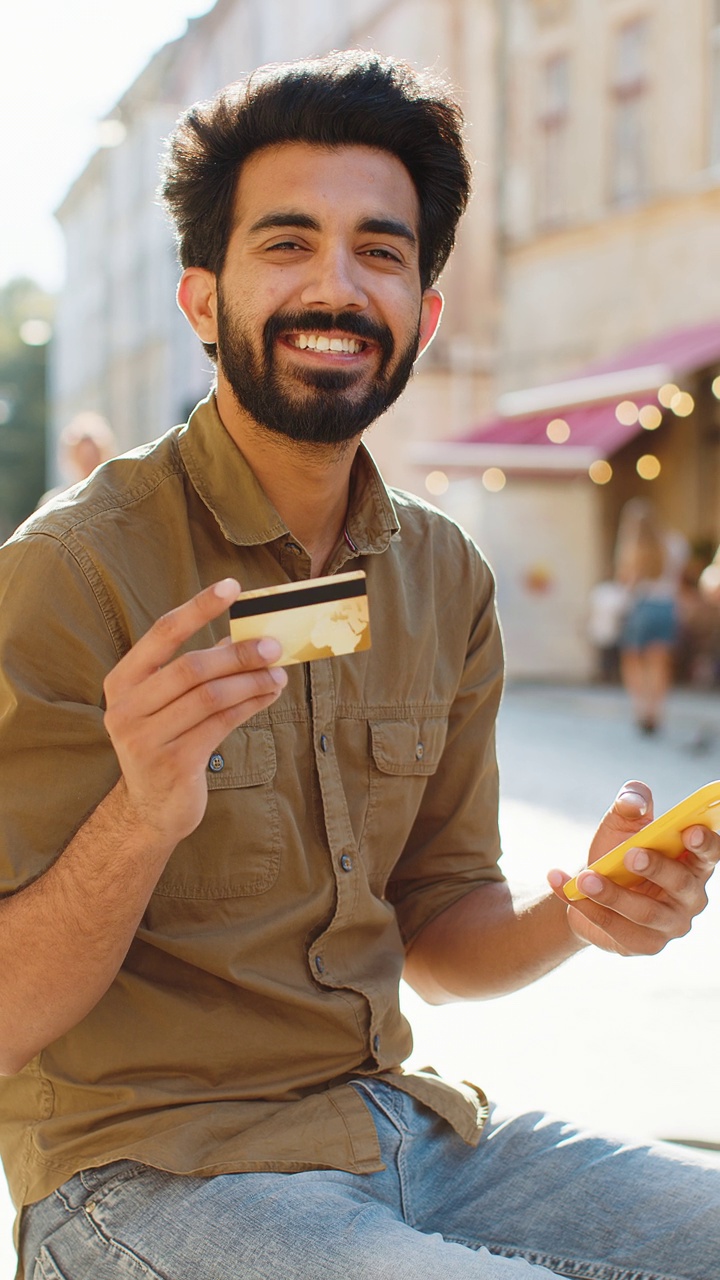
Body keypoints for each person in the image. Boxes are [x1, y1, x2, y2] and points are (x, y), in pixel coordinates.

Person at [0, 51, 718, 1280]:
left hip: (406, 1127)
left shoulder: (444, 575)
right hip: (146, 1172)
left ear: (423, 316)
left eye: (381, 252)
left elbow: (442, 930)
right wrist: (143, 810)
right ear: (199, 296)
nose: (337, 287)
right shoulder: (73, 571)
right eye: (287, 244)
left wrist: (583, 906)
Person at [614, 497, 687, 733]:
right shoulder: (675, 543)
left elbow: (626, 583)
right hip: (667, 607)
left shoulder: (632, 547)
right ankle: (656, 710)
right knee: (659, 662)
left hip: (642, 606)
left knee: (633, 660)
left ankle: (641, 708)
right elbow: (679, 580)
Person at [35, 410, 118, 507]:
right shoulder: (55, 501)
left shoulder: (117, 496)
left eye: (93, 456)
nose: (88, 463)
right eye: (83, 458)